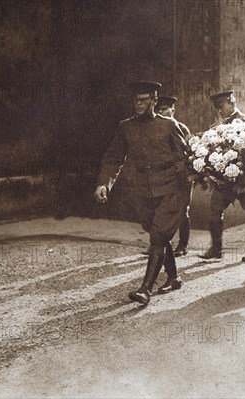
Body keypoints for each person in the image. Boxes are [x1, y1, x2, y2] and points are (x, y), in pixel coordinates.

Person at [94, 81, 190, 305]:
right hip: (142, 191)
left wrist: (185, 194)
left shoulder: (169, 125)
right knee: (157, 233)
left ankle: (145, 289)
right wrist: (104, 184)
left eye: (144, 100)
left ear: (154, 101)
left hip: (170, 190)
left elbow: (186, 159)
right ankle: (174, 277)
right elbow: (114, 158)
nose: (138, 104)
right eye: (136, 100)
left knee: (158, 236)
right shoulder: (125, 127)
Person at [199, 90, 245, 262]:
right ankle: (217, 248)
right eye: (217, 108)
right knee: (214, 210)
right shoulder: (218, 125)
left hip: (244, 180)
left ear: (232, 102)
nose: (219, 111)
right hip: (225, 181)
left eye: (222, 106)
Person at [155, 96, 192, 256]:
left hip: (181, 176)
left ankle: (183, 245)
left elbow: (189, 153)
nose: (161, 112)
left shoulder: (181, 128)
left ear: (173, 110)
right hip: (163, 176)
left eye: (165, 109)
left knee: (183, 211)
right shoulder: (156, 128)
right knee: (159, 211)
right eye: (159, 109)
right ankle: (158, 244)